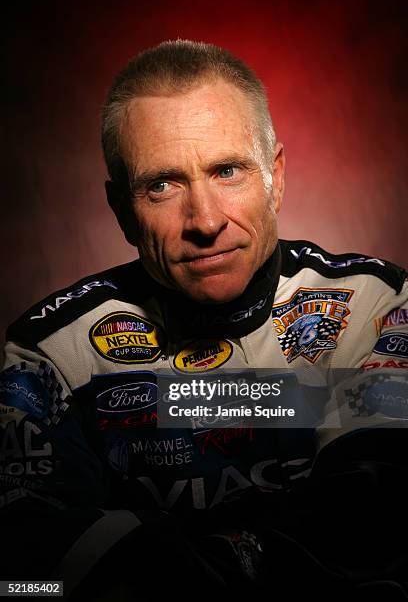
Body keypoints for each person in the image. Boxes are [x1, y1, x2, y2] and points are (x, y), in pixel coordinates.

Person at [1, 40, 408, 601]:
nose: (206, 220)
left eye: (227, 170)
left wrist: (199, 563)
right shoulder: (52, 356)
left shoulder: (375, 305)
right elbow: (23, 582)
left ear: (276, 175)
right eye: (161, 185)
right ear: (121, 208)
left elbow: (377, 518)